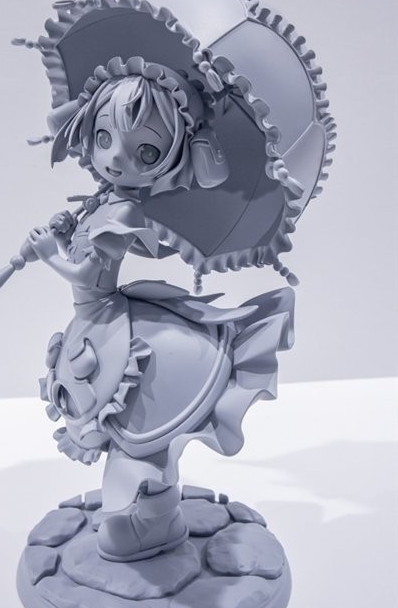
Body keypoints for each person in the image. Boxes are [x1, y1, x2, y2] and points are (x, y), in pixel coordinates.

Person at [25, 60, 294, 562]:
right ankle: (150, 510)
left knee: (138, 424)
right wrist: (65, 233)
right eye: (104, 137)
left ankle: (156, 513)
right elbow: (87, 254)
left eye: (145, 151)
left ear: (172, 158)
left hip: (105, 315)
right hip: (97, 320)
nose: (116, 157)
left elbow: (87, 276)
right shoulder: (105, 200)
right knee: (110, 415)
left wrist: (49, 256)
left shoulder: (125, 209)